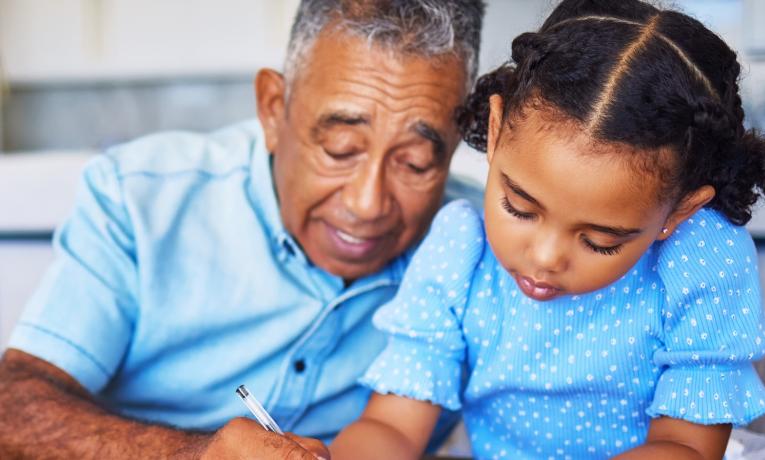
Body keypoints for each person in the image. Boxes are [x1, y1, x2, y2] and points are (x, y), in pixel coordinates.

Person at [330, 1, 765, 459]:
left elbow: (686, 446)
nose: (544, 257)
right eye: (519, 208)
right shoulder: (460, 251)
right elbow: (392, 426)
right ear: (495, 135)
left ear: (678, 212)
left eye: (599, 241)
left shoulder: (701, 258)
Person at [0, 1, 485, 458]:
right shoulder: (140, 200)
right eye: (340, 149)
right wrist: (191, 454)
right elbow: (13, 412)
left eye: (415, 163)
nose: (367, 204)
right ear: (274, 109)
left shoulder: (491, 249)